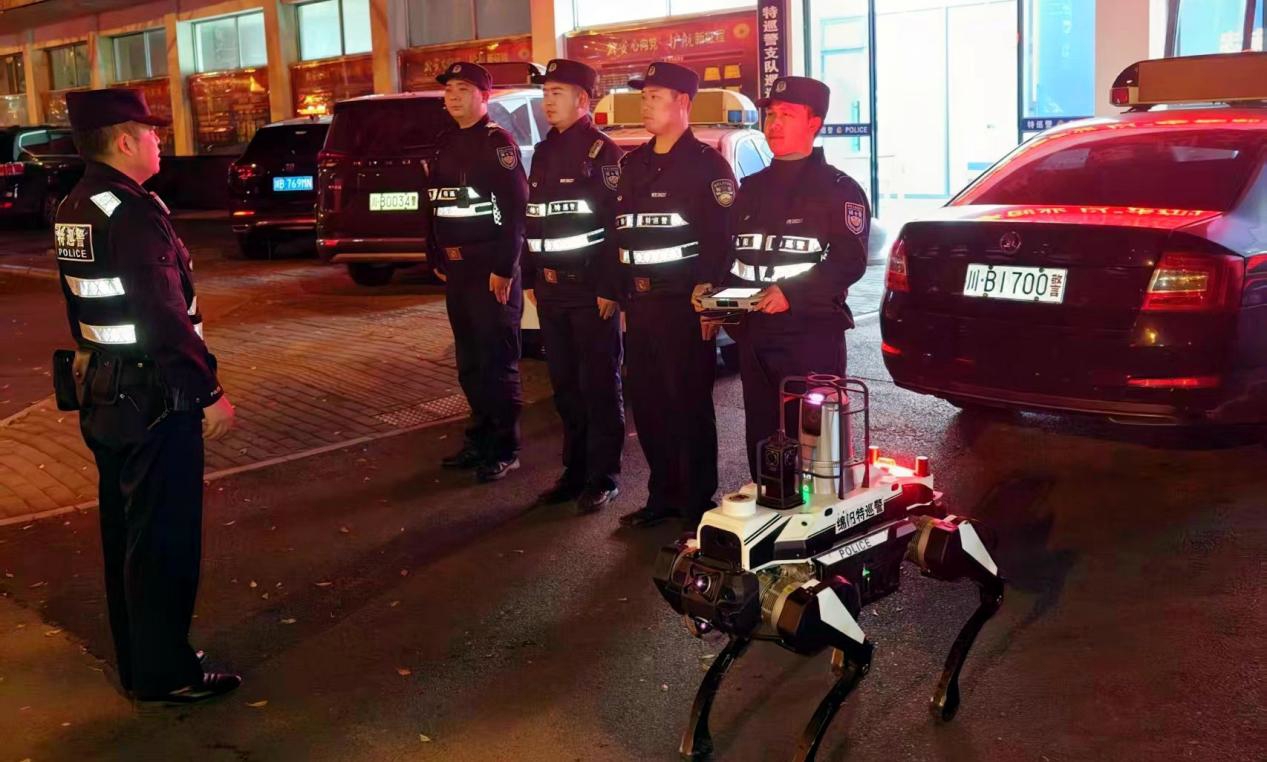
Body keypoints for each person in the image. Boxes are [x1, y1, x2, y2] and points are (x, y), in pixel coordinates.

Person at [54, 88, 240, 703]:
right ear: (124, 140)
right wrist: (208, 392)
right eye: (152, 131)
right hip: (155, 398)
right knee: (163, 538)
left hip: (107, 394)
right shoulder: (130, 212)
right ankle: (167, 674)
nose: (160, 140)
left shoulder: (77, 204)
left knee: (127, 534)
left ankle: (143, 662)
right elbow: (163, 316)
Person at [716, 76, 870, 481]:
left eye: (787, 114)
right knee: (763, 437)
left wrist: (791, 293)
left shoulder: (838, 190)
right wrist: (719, 301)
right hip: (755, 335)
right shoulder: (750, 189)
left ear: (814, 123)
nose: (775, 123)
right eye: (770, 115)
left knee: (817, 445)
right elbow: (734, 258)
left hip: (810, 336)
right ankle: (770, 504)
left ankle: (818, 514)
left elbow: (849, 262)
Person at [611, 62, 736, 529]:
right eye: (643, 97)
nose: (645, 105)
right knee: (648, 404)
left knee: (689, 405)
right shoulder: (633, 165)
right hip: (640, 304)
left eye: (655, 97)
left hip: (684, 306)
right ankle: (661, 495)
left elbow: (722, 239)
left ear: (683, 103)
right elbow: (620, 233)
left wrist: (711, 298)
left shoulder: (707, 166)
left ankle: (696, 502)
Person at [526, 59, 625, 514]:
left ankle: (603, 475)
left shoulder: (603, 153)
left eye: (557, 93)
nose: (548, 102)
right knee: (565, 385)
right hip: (551, 290)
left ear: (582, 100)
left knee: (598, 384)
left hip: (590, 291)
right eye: (545, 93)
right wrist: (531, 273)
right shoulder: (545, 151)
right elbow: (533, 218)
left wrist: (609, 286)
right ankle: (574, 470)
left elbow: (616, 225)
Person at [428, 62, 530, 483]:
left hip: (491, 272)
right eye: (449, 89)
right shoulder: (445, 141)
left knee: (496, 361)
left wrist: (504, 267)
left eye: (463, 89)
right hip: (458, 271)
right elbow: (434, 204)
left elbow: (515, 211)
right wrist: (435, 256)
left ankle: (505, 448)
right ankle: (480, 439)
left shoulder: (496, 143)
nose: (453, 96)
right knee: (470, 362)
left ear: (484, 97)